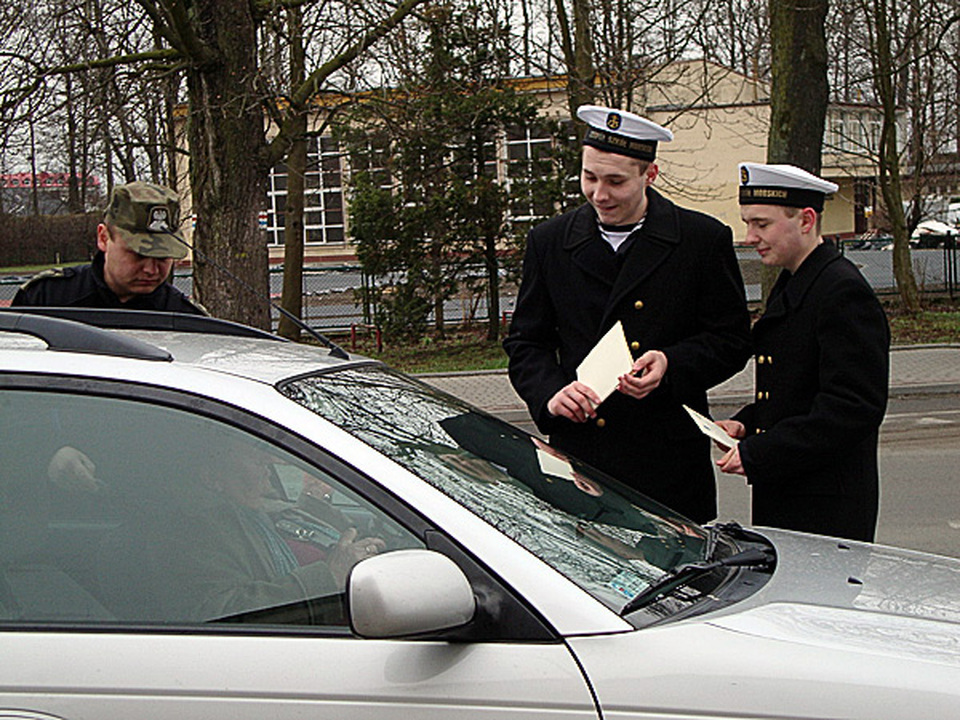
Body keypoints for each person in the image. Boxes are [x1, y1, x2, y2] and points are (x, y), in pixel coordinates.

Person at [503, 105, 752, 523]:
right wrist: (551, 393)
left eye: (616, 181)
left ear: (649, 175)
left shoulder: (701, 240)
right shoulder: (549, 241)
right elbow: (527, 342)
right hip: (582, 457)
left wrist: (671, 364)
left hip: (668, 463)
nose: (600, 194)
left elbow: (732, 340)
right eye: (589, 177)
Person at [715, 163, 890, 542]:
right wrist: (748, 423)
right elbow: (796, 388)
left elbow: (852, 408)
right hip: (793, 492)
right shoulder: (799, 279)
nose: (750, 237)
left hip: (826, 508)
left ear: (806, 220)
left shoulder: (841, 291)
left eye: (762, 224)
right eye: (748, 224)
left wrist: (762, 452)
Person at [13, 180, 204, 313]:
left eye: (162, 257)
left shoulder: (186, 317)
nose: (151, 270)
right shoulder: (46, 299)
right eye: (138, 255)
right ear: (103, 238)